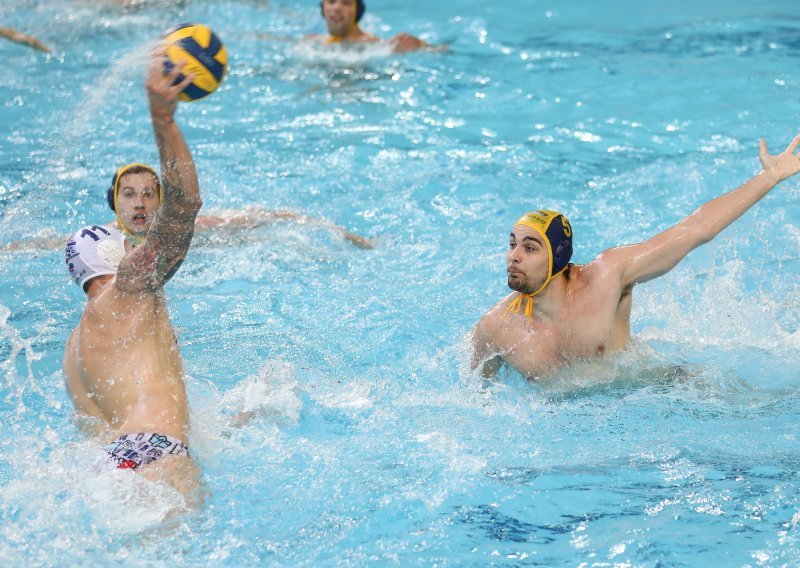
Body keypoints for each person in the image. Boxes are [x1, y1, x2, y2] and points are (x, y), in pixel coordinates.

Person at [471, 135, 800, 380]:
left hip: (650, 390)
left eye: (530, 247)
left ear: (558, 257)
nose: (514, 256)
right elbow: (478, 401)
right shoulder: (495, 328)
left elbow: (696, 229)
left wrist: (768, 177)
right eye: (512, 244)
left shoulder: (607, 277)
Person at [62, 51, 202, 501]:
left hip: (107, 461)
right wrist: (164, 120)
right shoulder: (130, 289)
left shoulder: (77, 343)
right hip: (156, 451)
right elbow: (183, 209)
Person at [308, 0, 438, 54]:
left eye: (346, 3)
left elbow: (440, 51)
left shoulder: (375, 45)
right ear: (323, 9)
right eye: (331, 1)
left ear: (357, 12)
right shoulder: (311, 42)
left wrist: (420, 46)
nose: (337, 8)